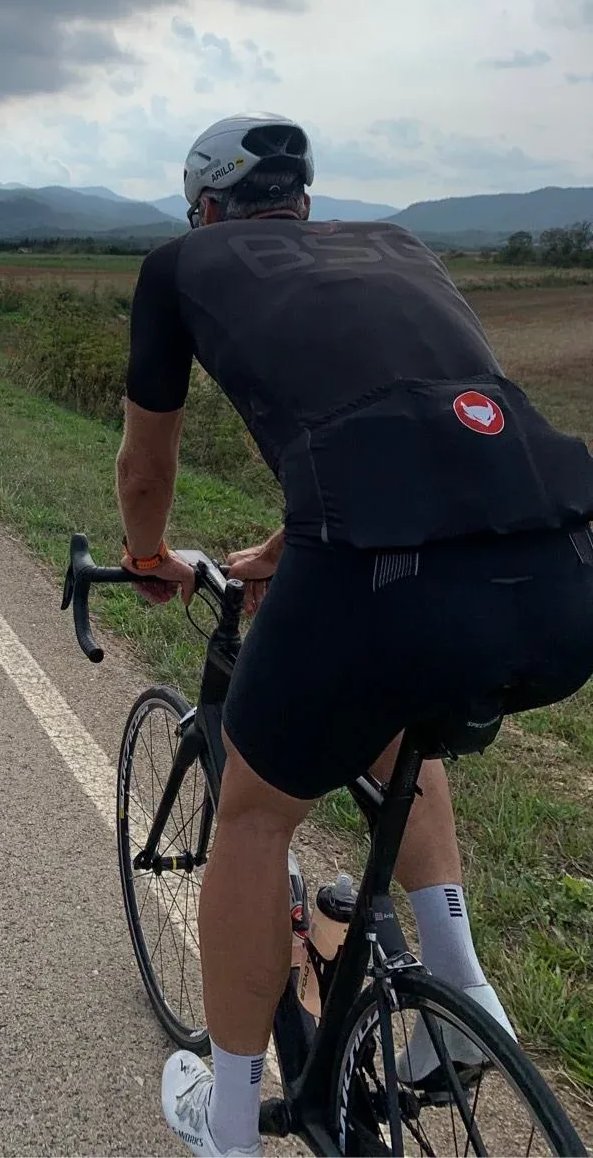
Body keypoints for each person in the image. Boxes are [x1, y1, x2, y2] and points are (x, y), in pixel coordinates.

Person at [116, 112, 593, 1157]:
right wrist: (297, 537)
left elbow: (147, 467)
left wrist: (149, 557)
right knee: (401, 723)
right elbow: (423, 419)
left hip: (379, 579)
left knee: (250, 819)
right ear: (305, 202)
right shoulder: (399, 246)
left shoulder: (181, 263)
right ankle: (467, 999)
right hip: (558, 571)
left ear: (204, 205)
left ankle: (230, 1122)